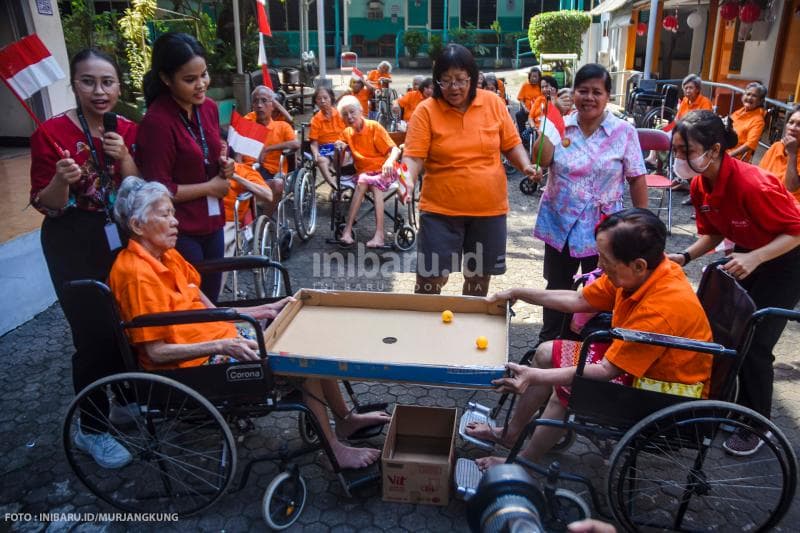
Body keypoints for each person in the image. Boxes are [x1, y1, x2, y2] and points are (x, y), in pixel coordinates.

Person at [109, 176, 391, 469]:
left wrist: (264, 309)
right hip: (192, 365)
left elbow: (206, 307)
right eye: (164, 214)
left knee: (309, 336)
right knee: (303, 362)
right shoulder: (135, 275)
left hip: (220, 336)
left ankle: (344, 420)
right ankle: (334, 450)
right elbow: (156, 352)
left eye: (172, 213)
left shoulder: (167, 255)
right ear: (137, 226)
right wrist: (224, 344)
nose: (175, 221)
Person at [466, 208, 713, 468]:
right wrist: (516, 291)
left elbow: (606, 371)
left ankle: (523, 464)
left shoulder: (661, 307)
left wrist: (533, 377)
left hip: (661, 389)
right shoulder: (640, 274)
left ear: (638, 265)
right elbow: (578, 299)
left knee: (571, 389)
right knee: (545, 353)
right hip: (638, 362)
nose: (598, 265)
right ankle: (511, 434)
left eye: (605, 259)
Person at [30, 48, 139, 469]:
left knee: (127, 322)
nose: (99, 91)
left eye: (107, 82)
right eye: (88, 82)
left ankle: (126, 401)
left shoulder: (128, 129)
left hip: (121, 236)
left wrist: (124, 157)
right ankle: (90, 428)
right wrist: (61, 179)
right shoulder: (51, 133)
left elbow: (136, 192)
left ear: (118, 86)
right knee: (93, 333)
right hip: (72, 240)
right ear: (73, 85)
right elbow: (48, 205)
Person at [667, 110, 800, 455]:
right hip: (747, 253)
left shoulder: (752, 183)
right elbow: (711, 235)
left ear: (713, 150)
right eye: (677, 150)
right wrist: (685, 257)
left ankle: (757, 426)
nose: (680, 158)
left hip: (786, 259)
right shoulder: (699, 184)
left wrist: (756, 257)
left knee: (757, 345)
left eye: (687, 150)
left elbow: (797, 230)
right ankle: (726, 406)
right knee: (723, 333)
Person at [402, 44, 539, 296]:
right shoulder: (426, 111)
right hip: (440, 210)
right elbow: (414, 156)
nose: (454, 88)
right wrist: (407, 179)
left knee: (478, 280)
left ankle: (470, 331)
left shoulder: (493, 103)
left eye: (460, 80)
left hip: (488, 209)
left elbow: (511, 144)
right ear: (436, 81)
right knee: (430, 280)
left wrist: (526, 165)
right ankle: (425, 330)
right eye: (446, 81)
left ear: (473, 77)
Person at [530, 63, 648, 345]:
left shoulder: (624, 132)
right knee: (558, 284)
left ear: (608, 96)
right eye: (583, 91)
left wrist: (643, 226)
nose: (589, 98)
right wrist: (552, 117)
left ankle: (585, 345)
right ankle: (548, 342)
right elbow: (541, 161)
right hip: (560, 223)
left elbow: (637, 178)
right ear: (573, 93)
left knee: (600, 287)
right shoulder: (562, 125)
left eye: (597, 92)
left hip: (604, 228)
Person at [136, 32, 234, 301]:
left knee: (212, 299)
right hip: (179, 229)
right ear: (166, 79)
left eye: (204, 75)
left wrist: (225, 167)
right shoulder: (157, 122)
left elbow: (212, 153)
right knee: (191, 302)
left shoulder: (209, 108)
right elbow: (158, 188)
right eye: (190, 80)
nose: (201, 85)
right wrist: (210, 187)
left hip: (213, 222)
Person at [335, 95, 402, 248]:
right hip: (364, 174)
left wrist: (390, 161)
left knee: (369, 183)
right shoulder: (346, 133)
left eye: (352, 112)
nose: (349, 117)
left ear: (361, 111)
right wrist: (338, 150)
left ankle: (367, 233)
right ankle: (356, 231)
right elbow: (340, 163)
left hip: (384, 170)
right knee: (365, 182)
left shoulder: (373, 126)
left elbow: (395, 150)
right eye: (345, 115)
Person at [759, 104, 800, 203]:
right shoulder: (776, 147)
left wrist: (792, 154)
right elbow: (759, 175)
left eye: (799, 125)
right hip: (766, 199)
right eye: (791, 122)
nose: (793, 128)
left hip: (790, 207)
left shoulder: (793, 154)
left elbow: (791, 188)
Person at [309, 86, 347, 189]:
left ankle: (345, 181)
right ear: (316, 102)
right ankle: (333, 183)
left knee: (345, 155)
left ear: (331, 98)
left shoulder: (341, 114)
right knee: (320, 160)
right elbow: (313, 142)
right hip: (325, 149)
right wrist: (315, 153)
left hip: (341, 147)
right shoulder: (315, 119)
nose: (323, 101)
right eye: (319, 99)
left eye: (325, 98)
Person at [727, 82, 767, 162]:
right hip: (724, 149)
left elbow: (750, 145)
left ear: (760, 101)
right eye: (748, 94)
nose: (749, 98)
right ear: (743, 96)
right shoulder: (739, 112)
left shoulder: (758, 120)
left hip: (735, 157)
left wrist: (729, 155)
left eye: (754, 96)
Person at [516, 67, 543, 132]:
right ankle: (523, 136)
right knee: (518, 115)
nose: (534, 78)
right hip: (527, 111)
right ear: (529, 76)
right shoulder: (525, 85)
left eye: (536, 77)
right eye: (532, 76)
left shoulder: (541, 86)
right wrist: (524, 108)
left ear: (539, 77)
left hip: (538, 111)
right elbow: (521, 99)